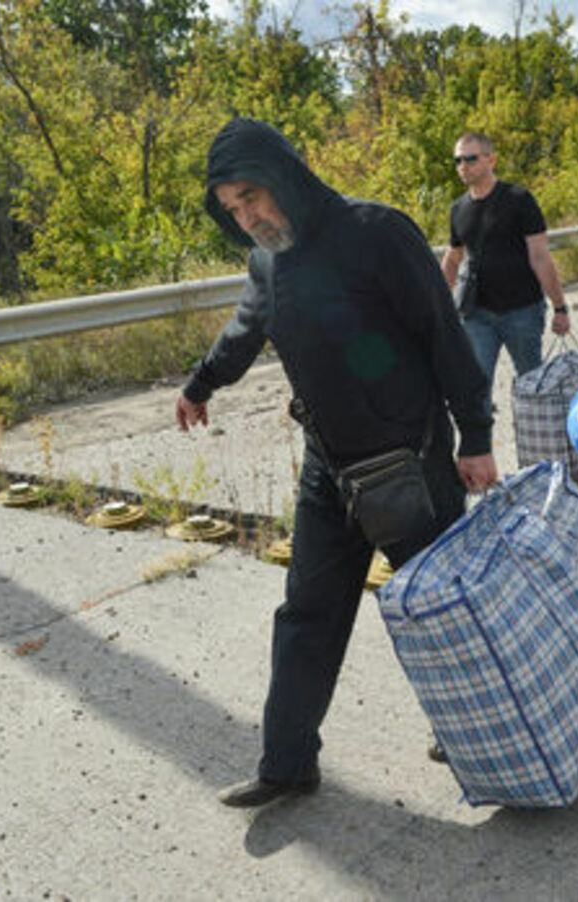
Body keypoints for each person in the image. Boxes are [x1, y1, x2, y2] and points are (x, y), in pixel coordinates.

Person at [175, 117, 498, 807]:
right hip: (332, 470)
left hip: (411, 463)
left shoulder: (375, 233)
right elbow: (245, 328)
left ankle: (483, 736)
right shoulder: (267, 258)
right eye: (232, 209)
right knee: (306, 615)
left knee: (440, 613)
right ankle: (288, 764)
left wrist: (474, 436)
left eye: (252, 197)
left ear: (285, 175)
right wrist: (201, 383)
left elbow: (443, 336)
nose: (247, 217)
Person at [440, 131, 571, 408]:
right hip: (476, 315)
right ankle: (480, 450)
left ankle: (538, 448)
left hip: (521, 312)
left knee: (533, 388)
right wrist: (438, 303)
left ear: (491, 160)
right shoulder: (458, 209)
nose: (463, 166)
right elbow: (453, 258)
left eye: (470, 158)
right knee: (476, 391)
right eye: (458, 160)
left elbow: (540, 257)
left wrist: (560, 307)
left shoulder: (519, 199)